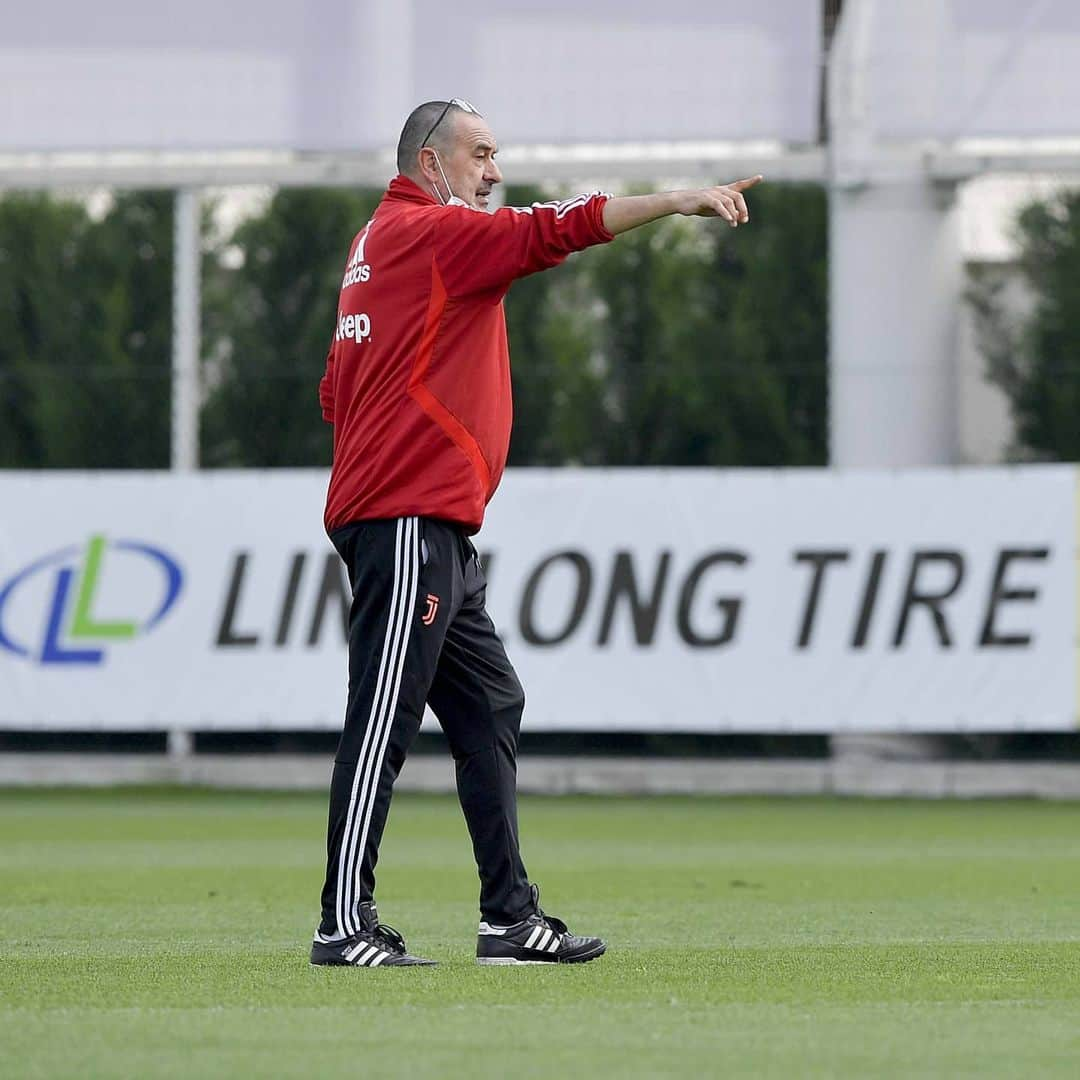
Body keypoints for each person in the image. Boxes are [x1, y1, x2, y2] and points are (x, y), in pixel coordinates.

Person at [311, 98, 761, 968]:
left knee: (490, 704)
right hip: (409, 518)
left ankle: (509, 920)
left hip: (421, 517)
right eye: (481, 154)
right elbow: (563, 227)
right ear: (431, 165)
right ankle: (342, 924)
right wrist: (677, 201)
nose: (495, 171)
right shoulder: (436, 232)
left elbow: (335, 391)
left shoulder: (376, 246)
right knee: (382, 720)